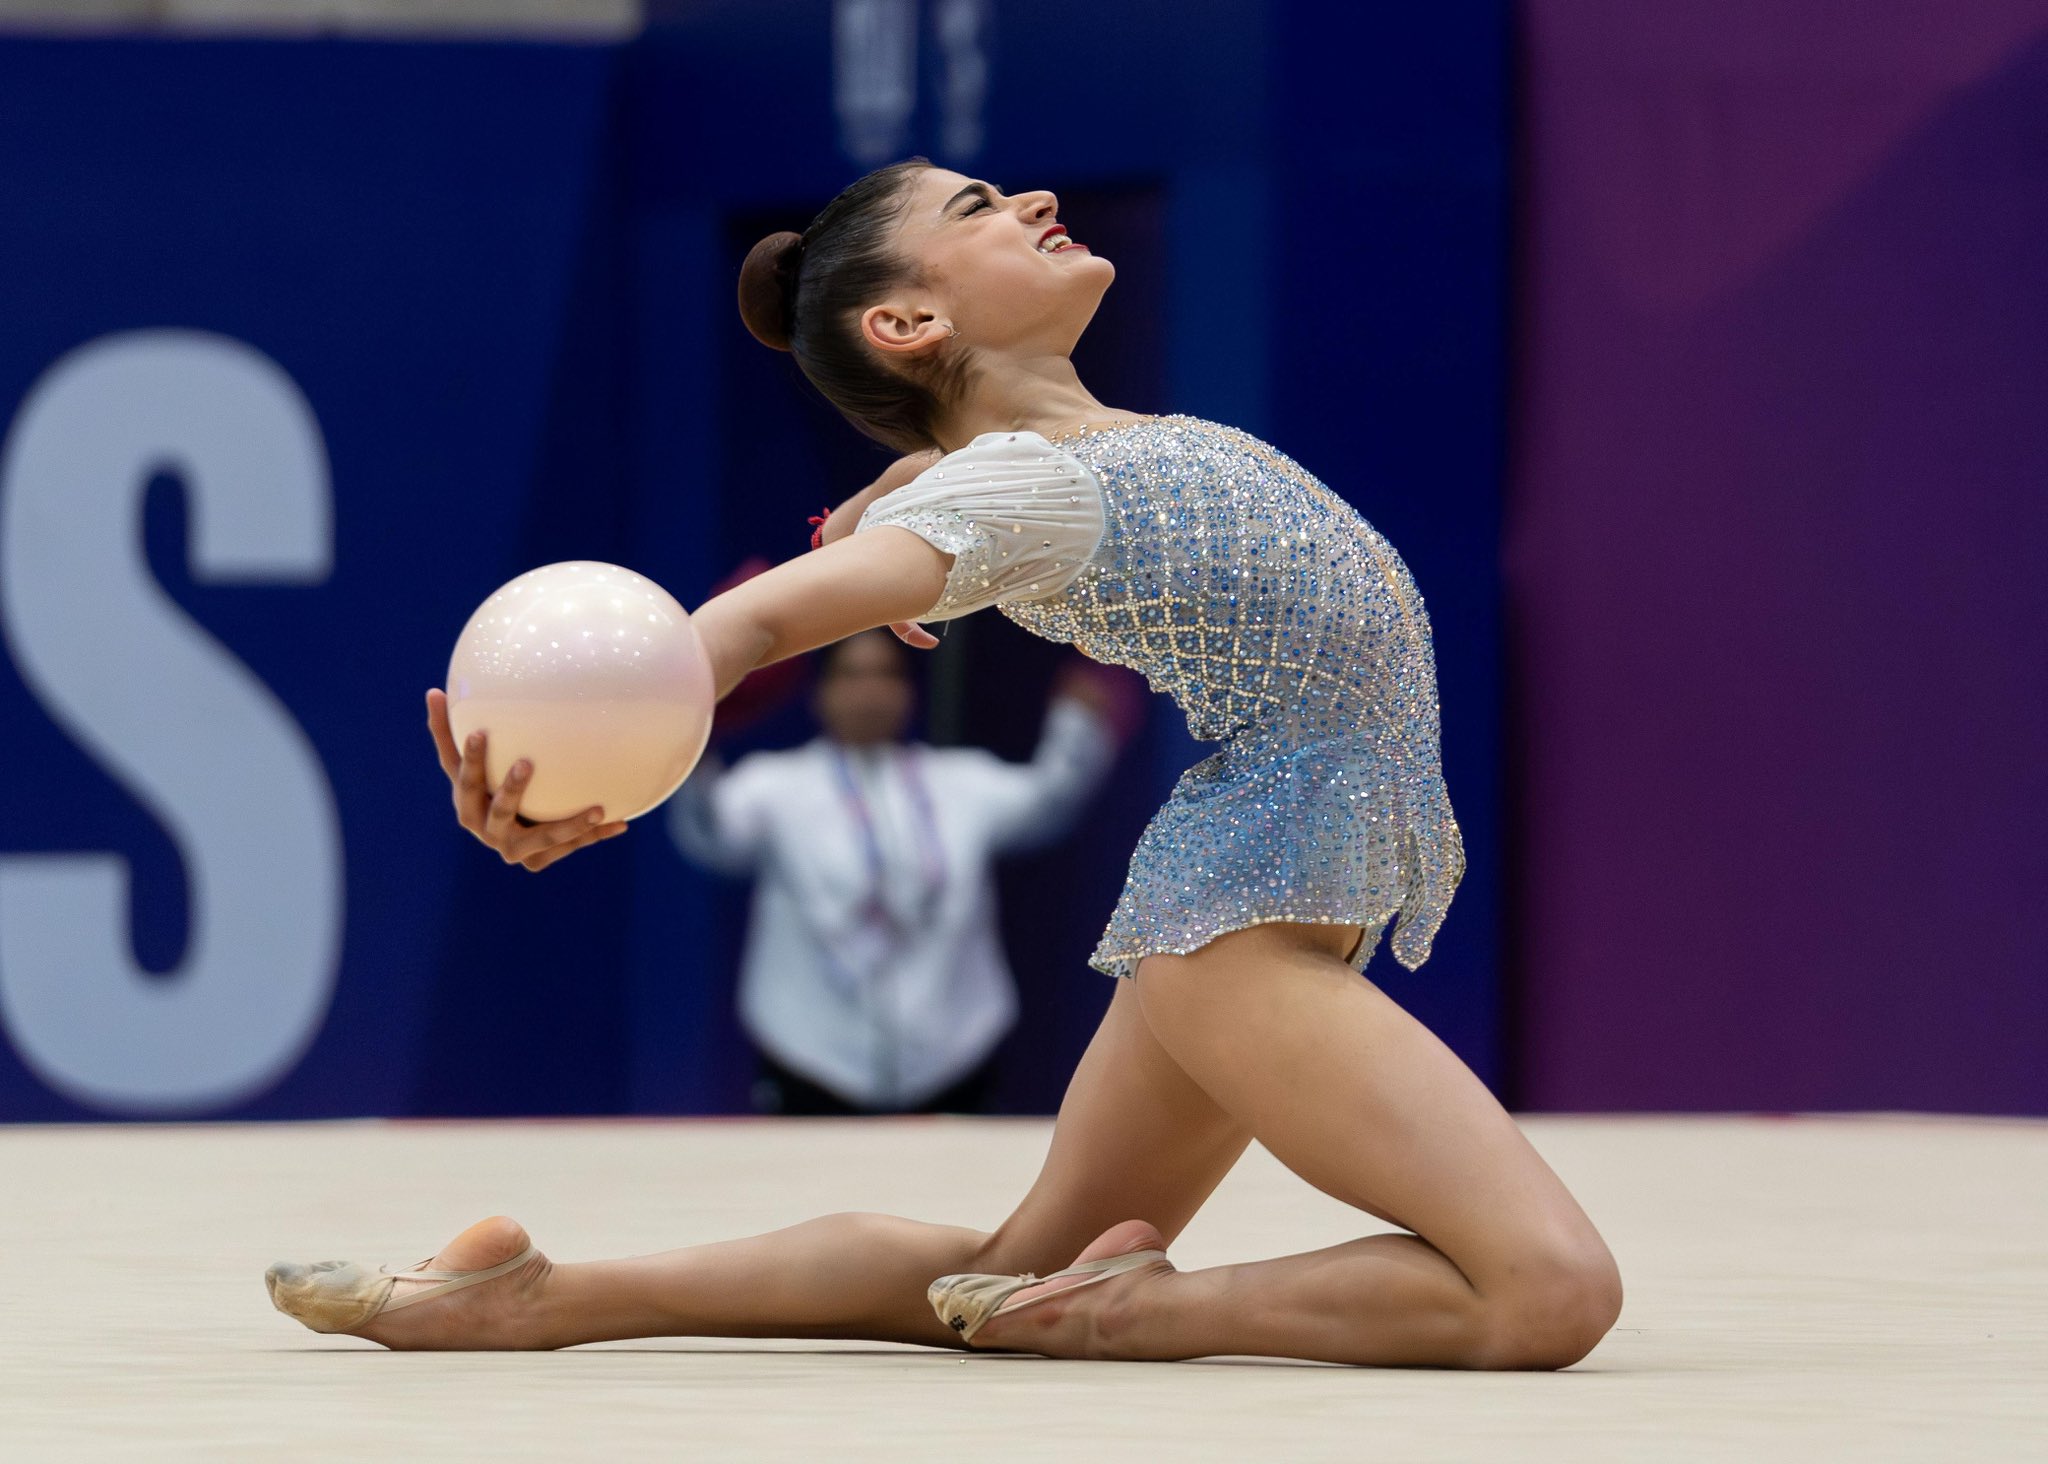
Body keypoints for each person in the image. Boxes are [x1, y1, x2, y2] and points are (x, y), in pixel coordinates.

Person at [268, 159, 1622, 1368]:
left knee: (1006, 1265)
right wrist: (577, 776)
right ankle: (1130, 1315)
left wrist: (894, 484)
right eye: (978, 208)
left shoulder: (1019, 466)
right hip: (1243, 919)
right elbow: (749, 626)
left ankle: (542, 1296)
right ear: (908, 324)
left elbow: (947, 478)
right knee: (1545, 1292)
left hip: (1260, 882)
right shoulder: (1007, 491)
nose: (1034, 200)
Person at [668, 627, 1122, 1115]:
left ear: (909, 691)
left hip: (952, 1059)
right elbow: (710, 834)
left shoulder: (962, 782)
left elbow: (1048, 802)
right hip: (812, 1060)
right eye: (852, 676)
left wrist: (1078, 719)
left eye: (886, 675)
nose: (870, 692)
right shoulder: (774, 787)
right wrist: (691, 733)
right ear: (822, 693)